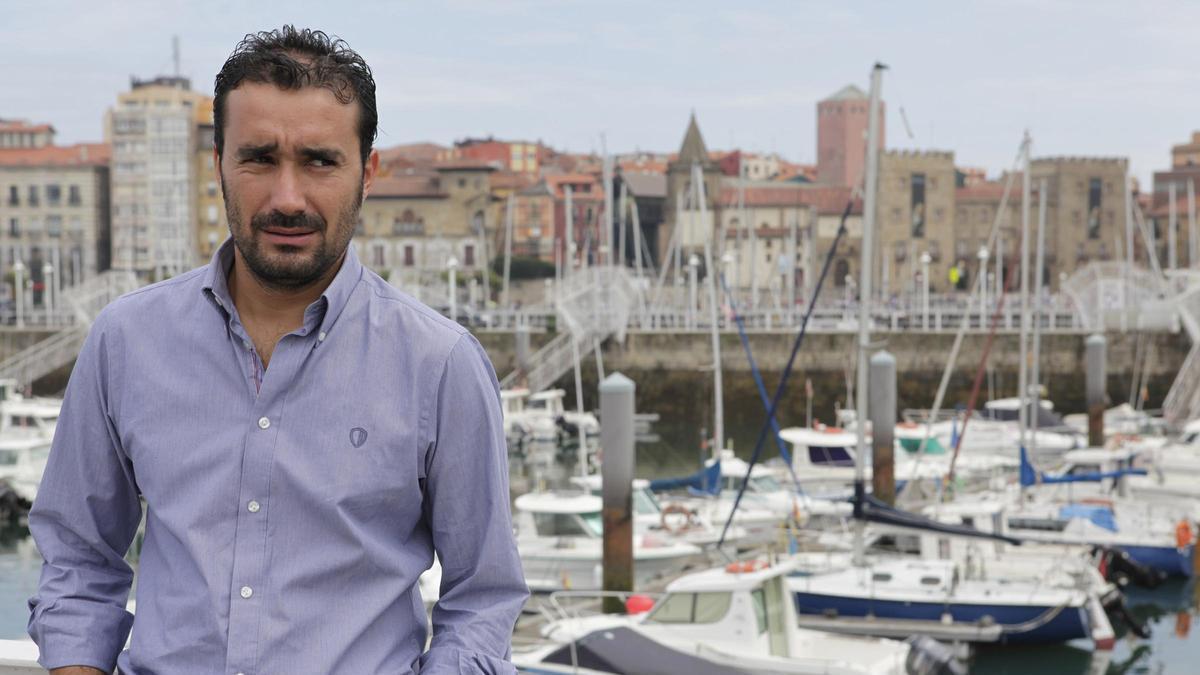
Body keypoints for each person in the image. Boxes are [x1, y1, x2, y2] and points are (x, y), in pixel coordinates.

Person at [27, 26, 527, 674]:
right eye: (260, 157)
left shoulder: (440, 365)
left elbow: (483, 600)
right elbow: (76, 557)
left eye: (319, 160)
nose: (287, 197)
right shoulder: (125, 341)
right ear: (219, 165)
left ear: (366, 173)